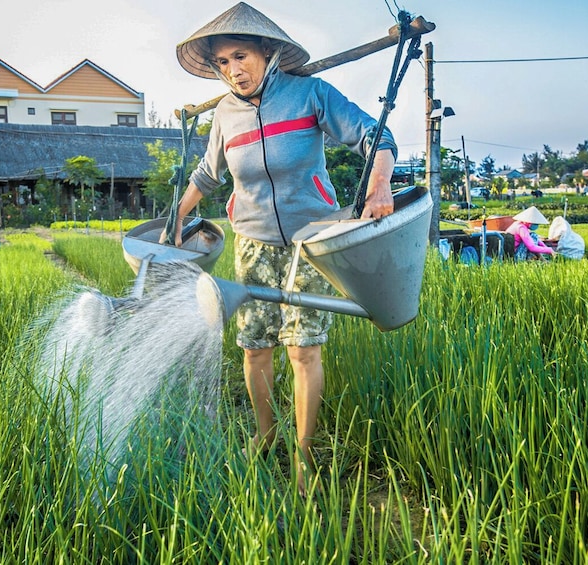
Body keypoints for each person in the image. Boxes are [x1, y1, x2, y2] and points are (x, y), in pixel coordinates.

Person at [169, 2, 397, 494]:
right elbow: (208, 175)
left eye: (241, 56)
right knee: (255, 351)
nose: (233, 70)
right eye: (223, 63)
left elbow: (376, 137)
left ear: (268, 53)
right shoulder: (225, 116)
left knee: (303, 352)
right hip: (252, 244)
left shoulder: (309, 93)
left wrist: (380, 184)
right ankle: (265, 433)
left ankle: (304, 452)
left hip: (312, 241)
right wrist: (180, 214)